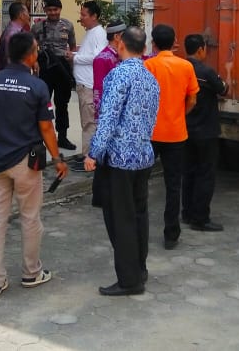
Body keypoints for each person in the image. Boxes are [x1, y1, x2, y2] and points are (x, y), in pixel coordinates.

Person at [0, 31, 69, 298]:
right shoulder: (36, 86)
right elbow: (47, 128)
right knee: (30, 218)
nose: (37, 53)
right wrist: (58, 158)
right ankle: (31, 272)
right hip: (26, 163)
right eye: (36, 49)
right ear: (30, 55)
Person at [84, 26, 160, 297]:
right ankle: (139, 268)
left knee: (121, 219)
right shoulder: (150, 77)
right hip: (143, 155)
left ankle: (129, 280)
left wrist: (94, 153)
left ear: (121, 45)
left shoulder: (118, 75)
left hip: (119, 158)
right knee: (139, 215)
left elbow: (108, 119)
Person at [144, 23, 199, 250]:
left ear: (153, 43)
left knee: (141, 182)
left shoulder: (147, 65)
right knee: (173, 185)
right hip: (176, 133)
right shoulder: (185, 66)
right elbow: (193, 99)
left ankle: (139, 227)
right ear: (174, 41)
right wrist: (179, 114)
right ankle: (171, 234)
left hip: (150, 133)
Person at [182, 34, 227, 232]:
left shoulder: (181, 69)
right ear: (201, 49)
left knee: (189, 172)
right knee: (205, 175)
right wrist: (229, 73)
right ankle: (201, 218)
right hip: (206, 131)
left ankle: (187, 212)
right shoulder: (207, 72)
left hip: (186, 130)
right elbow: (223, 89)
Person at [31, 0, 77, 150]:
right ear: (45, 10)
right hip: (45, 67)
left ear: (60, 9)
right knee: (43, 103)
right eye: (49, 10)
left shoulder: (68, 26)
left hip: (62, 67)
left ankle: (62, 137)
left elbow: (72, 47)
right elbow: (31, 46)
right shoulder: (37, 27)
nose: (52, 13)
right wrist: (34, 62)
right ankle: (39, 138)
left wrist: (72, 70)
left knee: (62, 103)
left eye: (55, 9)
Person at [71, 0, 107, 162]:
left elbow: (97, 57)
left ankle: (90, 157)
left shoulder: (98, 33)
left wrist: (75, 57)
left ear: (94, 16)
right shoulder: (91, 32)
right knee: (87, 122)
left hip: (89, 86)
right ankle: (87, 153)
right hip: (84, 85)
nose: (81, 18)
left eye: (84, 15)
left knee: (90, 123)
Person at [91, 18, 126, 122]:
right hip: (110, 112)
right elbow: (98, 88)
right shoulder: (102, 59)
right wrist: (100, 115)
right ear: (116, 37)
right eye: (125, 36)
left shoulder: (124, 55)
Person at [0, 1, 31, 71]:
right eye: (27, 12)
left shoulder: (18, 32)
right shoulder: (13, 34)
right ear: (21, 15)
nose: (29, 16)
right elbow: (9, 60)